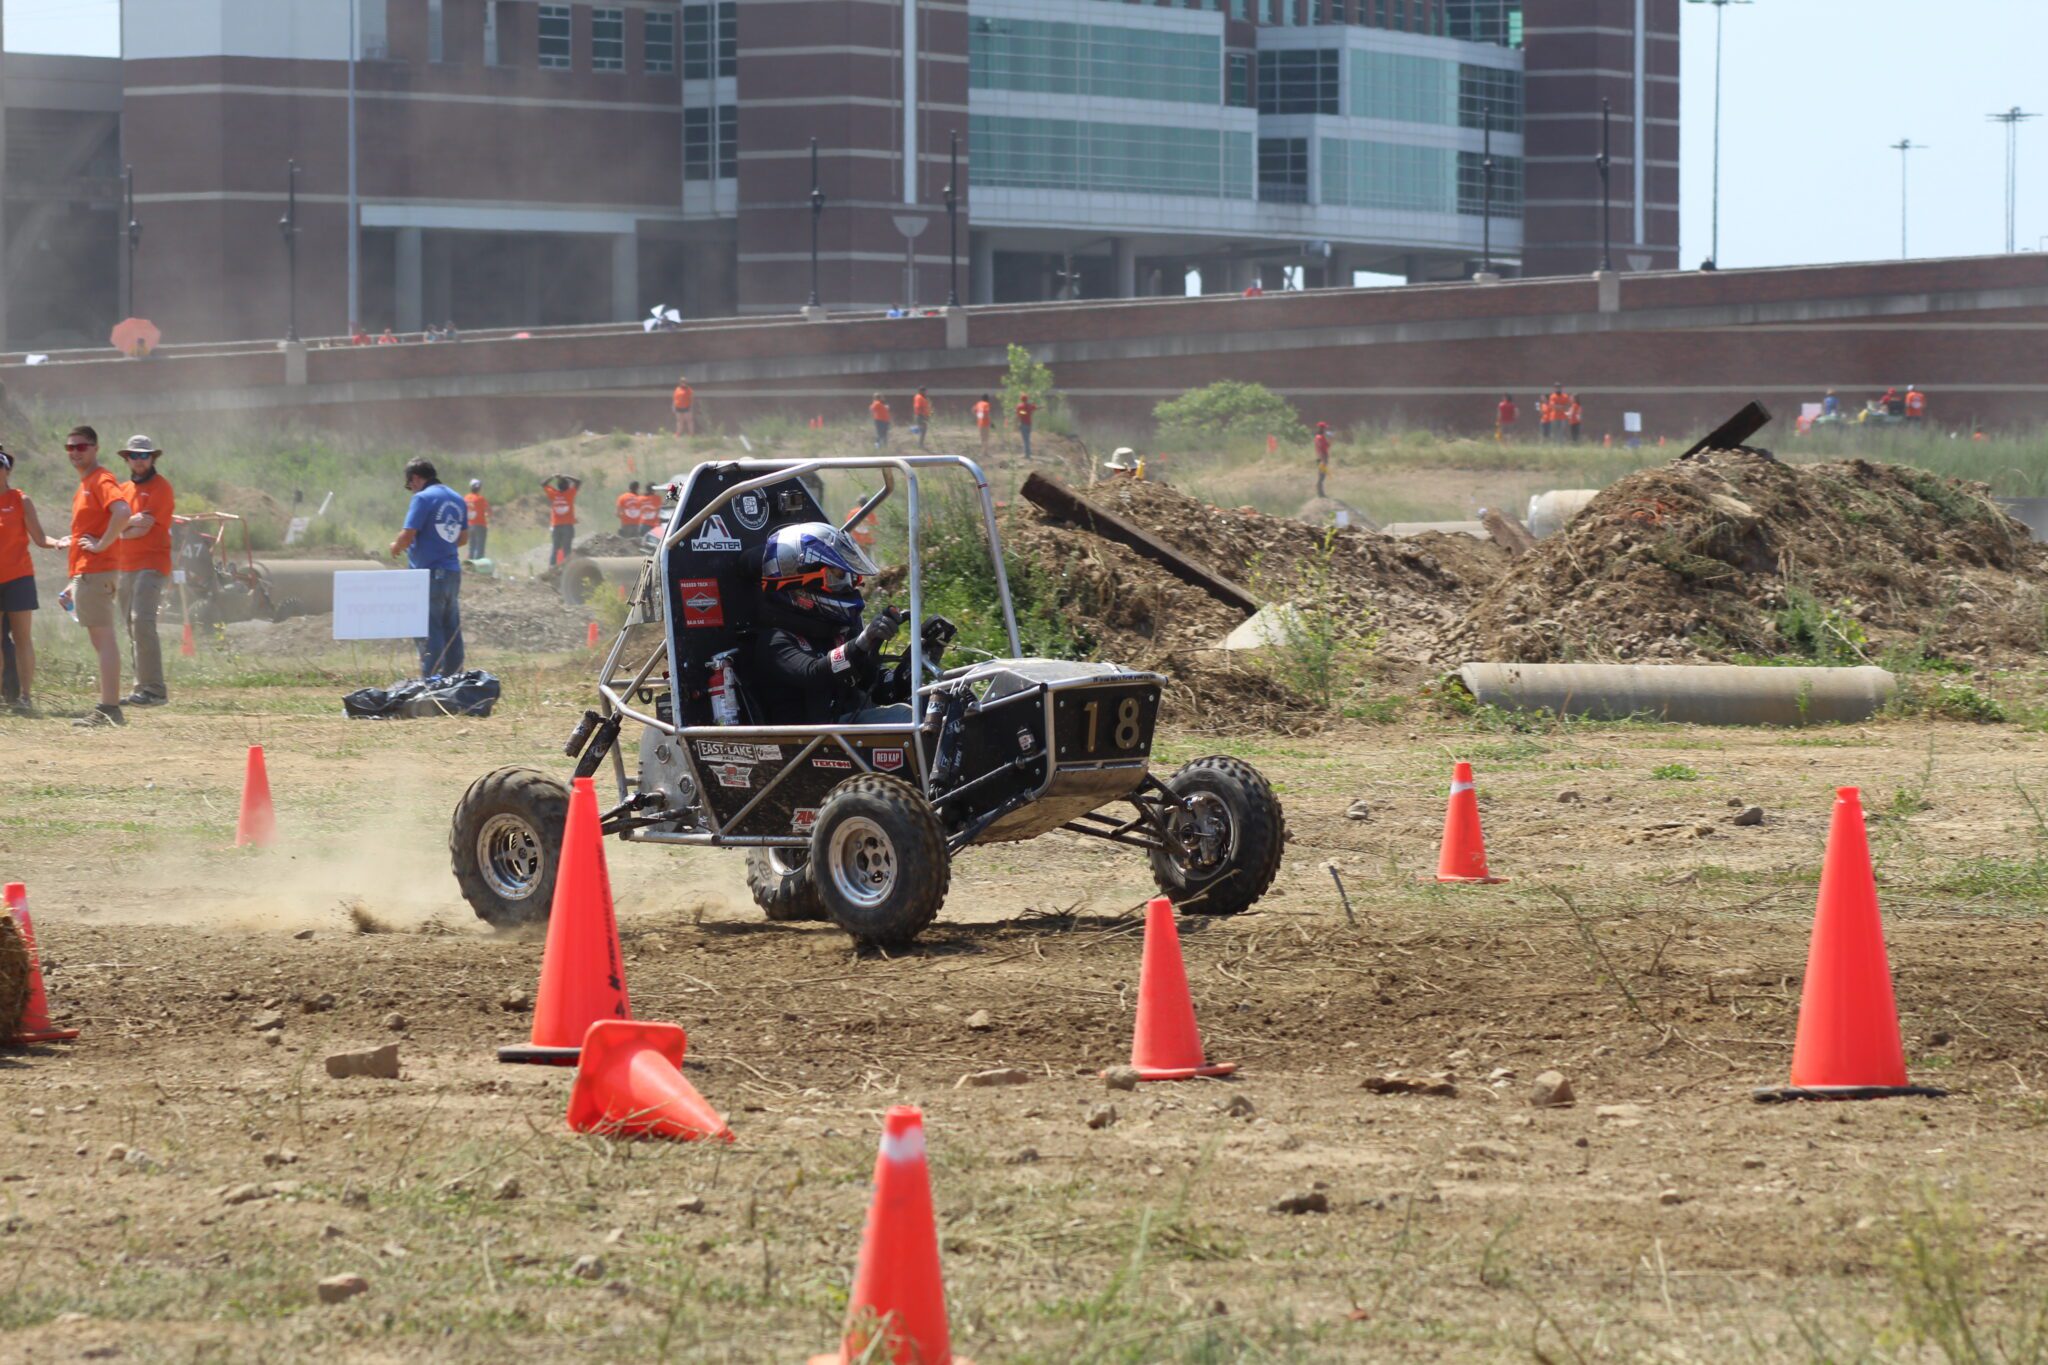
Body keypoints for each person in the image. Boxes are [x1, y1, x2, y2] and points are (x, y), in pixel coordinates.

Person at [748, 521, 947, 725]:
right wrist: (861, 642)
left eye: (849, 577)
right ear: (797, 585)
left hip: (849, 739)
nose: (847, 587)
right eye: (836, 577)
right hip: (809, 744)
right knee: (905, 719)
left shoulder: (837, 634)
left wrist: (912, 665)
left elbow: (880, 690)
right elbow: (813, 675)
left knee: (942, 705)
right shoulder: (774, 641)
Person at [49, 426, 132, 727]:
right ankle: (109, 707)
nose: (74, 452)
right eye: (69, 447)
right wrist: (79, 542)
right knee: (102, 639)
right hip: (89, 571)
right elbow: (98, 523)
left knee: (103, 638)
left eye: (81, 447)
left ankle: (109, 707)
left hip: (96, 570)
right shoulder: (87, 483)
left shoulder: (100, 479)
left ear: (95, 448)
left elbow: (122, 512)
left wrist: (101, 544)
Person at [112, 435, 175, 708]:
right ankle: (142, 686)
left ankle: (154, 689)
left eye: (144, 456)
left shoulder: (161, 488)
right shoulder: (122, 489)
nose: (139, 460)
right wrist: (126, 525)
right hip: (125, 566)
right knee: (130, 624)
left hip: (152, 564)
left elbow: (142, 529)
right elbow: (111, 527)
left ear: (153, 458)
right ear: (127, 458)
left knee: (142, 621)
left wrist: (119, 530)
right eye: (134, 456)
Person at [390, 457, 468, 678]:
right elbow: (462, 538)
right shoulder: (457, 498)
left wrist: (395, 547)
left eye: (410, 485)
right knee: (451, 630)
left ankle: (432, 686)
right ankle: (454, 682)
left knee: (428, 631)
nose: (411, 489)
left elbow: (407, 535)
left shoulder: (422, 499)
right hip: (452, 572)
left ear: (415, 478)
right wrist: (440, 543)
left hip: (428, 575)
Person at [0, 446, 59, 715]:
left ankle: (25, 696)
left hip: (19, 578)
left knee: (22, 637)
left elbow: (40, 538)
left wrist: (59, 542)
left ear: (7, 470)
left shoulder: (20, 500)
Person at [543, 474, 581, 566]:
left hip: (556, 526)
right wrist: (567, 476)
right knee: (567, 548)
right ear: (568, 486)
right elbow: (578, 482)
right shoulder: (570, 493)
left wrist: (552, 477)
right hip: (567, 526)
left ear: (558, 486)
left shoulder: (554, 494)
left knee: (555, 549)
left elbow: (543, 484)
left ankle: (552, 568)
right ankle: (567, 568)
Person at [464, 478, 490, 561]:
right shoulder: (481, 499)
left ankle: (470, 564)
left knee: (471, 546)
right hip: (480, 525)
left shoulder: (466, 498)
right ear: (479, 488)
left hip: (469, 525)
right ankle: (479, 566)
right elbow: (489, 511)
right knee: (480, 547)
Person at [1015, 392, 1038, 461]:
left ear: (1021, 399)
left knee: (1025, 440)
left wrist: (1016, 424)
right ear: (1027, 399)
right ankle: (1027, 454)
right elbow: (1034, 408)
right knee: (1027, 439)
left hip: (1023, 424)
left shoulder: (1019, 406)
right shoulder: (1030, 406)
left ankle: (1027, 455)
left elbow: (1019, 414)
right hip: (1029, 424)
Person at [1313, 422, 1332, 498]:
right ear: (1322, 429)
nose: (1326, 429)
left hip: (1321, 457)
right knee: (1321, 476)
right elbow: (1320, 448)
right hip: (1322, 457)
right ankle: (1320, 493)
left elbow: (1327, 446)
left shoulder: (1321, 437)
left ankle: (1321, 492)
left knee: (1322, 475)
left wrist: (1330, 439)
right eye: (1325, 428)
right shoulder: (1319, 437)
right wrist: (1323, 459)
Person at [911, 387, 933, 451]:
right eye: (925, 391)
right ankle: (920, 444)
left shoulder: (920, 397)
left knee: (922, 429)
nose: (926, 393)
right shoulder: (919, 397)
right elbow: (918, 407)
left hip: (922, 416)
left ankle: (920, 443)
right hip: (921, 416)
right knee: (923, 430)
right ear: (921, 391)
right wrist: (923, 415)